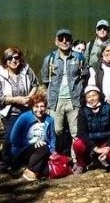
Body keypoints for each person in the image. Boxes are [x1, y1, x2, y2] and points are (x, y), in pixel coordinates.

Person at [41, 28, 88, 157]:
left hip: (74, 101)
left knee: (76, 132)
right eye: (61, 39)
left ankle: (76, 160)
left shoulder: (79, 58)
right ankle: (57, 158)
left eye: (67, 39)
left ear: (71, 41)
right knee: (56, 130)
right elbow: (45, 80)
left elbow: (85, 76)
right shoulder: (50, 59)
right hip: (56, 101)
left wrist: (79, 91)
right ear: (56, 41)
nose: (64, 41)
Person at [0, 46, 38, 167]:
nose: (13, 61)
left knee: (26, 135)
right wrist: (16, 100)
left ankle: (21, 159)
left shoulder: (26, 70)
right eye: (10, 58)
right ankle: (7, 160)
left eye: (16, 58)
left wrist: (29, 97)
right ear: (5, 61)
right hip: (9, 112)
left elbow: (35, 84)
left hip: (26, 110)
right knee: (11, 137)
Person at [72, 85, 110, 173]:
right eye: (88, 97)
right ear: (85, 99)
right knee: (77, 144)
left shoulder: (108, 108)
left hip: (106, 142)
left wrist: (108, 147)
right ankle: (82, 163)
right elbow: (82, 132)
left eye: (94, 95)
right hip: (90, 143)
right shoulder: (83, 110)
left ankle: (104, 161)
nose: (92, 98)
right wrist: (95, 148)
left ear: (99, 95)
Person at [10, 92, 57, 181]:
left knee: (47, 171)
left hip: (42, 152)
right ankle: (29, 170)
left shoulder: (50, 119)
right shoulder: (24, 117)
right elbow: (14, 138)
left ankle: (26, 169)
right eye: (36, 106)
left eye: (42, 106)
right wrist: (33, 144)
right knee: (43, 148)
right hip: (24, 149)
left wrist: (53, 152)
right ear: (32, 107)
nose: (39, 109)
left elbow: (52, 137)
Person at [88, 42, 110, 108]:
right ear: (102, 52)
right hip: (101, 104)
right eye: (107, 50)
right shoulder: (95, 67)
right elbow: (92, 86)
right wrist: (106, 100)